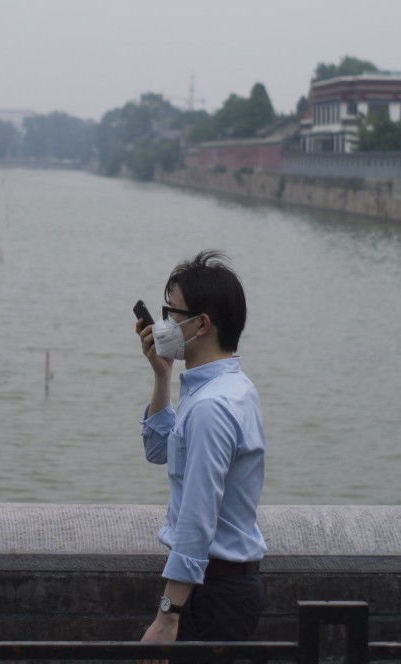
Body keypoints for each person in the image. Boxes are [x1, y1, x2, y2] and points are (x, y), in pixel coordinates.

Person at [134, 249, 266, 652]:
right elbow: (159, 450)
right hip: (216, 588)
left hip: (212, 592)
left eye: (170, 313)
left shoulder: (212, 406)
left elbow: (197, 515)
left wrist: (167, 615)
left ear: (201, 324)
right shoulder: (227, 388)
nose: (162, 324)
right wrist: (162, 377)